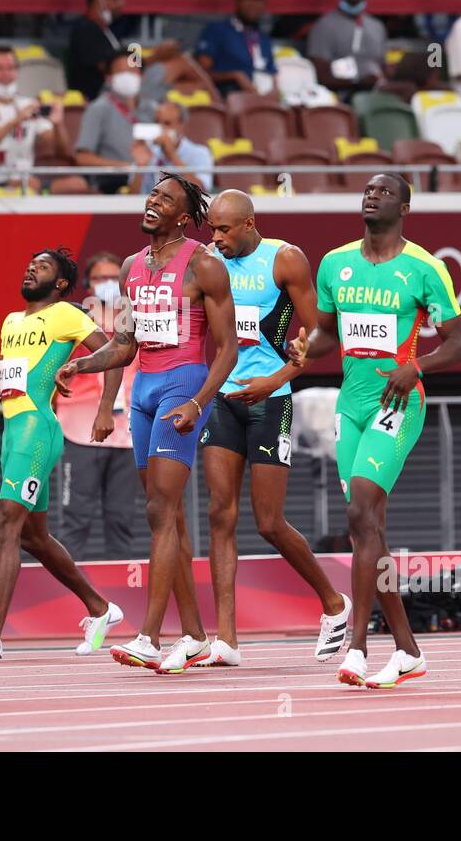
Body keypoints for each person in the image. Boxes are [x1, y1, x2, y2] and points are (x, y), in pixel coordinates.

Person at [289, 173, 461, 688]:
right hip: (352, 406)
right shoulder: (334, 263)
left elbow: (459, 344)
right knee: (369, 531)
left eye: (385, 192)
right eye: (368, 190)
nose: (373, 196)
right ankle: (408, 651)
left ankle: (358, 646)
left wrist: (419, 367)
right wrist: (306, 349)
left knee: (359, 509)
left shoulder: (425, 268)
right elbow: (327, 334)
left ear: (405, 208)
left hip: (399, 400)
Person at [56, 173, 237, 674]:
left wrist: (199, 402)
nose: (153, 201)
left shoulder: (204, 264)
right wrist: (80, 366)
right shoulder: (133, 266)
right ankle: (197, 636)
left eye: (165, 198)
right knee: (168, 516)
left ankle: (150, 637)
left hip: (183, 385)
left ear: (183, 216)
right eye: (152, 194)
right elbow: (125, 345)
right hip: (144, 393)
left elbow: (228, 350)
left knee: (161, 511)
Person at [199, 190, 350, 667]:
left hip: (271, 401)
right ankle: (226, 638)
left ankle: (333, 603)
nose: (217, 239)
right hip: (223, 398)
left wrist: (277, 379)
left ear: (249, 223)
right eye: (212, 230)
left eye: (224, 230)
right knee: (220, 515)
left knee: (267, 522)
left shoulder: (284, 260)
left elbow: (322, 336)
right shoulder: (209, 263)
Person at [0, 249, 124, 659]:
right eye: (30, 263)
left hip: (37, 429)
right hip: (13, 429)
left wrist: (104, 407)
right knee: (34, 537)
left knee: (6, 525)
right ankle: (101, 609)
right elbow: (14, 381)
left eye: (43, 266)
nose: (31, 268)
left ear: (61, 283)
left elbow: (116, 351)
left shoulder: (66, 314)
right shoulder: (11, 321)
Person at [55, 252, 139, 561]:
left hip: (127, 434)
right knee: (75, 517)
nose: (107, 285)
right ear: (89, 283)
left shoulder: (135, 319)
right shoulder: (75, 320)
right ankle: (66, 589)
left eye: (113, 279)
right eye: (101, 278)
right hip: (79, 429)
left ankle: (121, 588)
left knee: (121, 518)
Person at [0, 45, 87, 194]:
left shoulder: (28, 104)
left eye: (11, 68)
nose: (6, 75)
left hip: (24, 181)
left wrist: (58, 124)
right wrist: (15, 120)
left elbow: (63, 152)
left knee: (76, 183)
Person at [65, 0, 183, 102]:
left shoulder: (105, 30)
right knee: (181, 65)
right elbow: (114, 68)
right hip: (103, 94)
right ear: (100, 1)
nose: (122, 4)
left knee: (181, 68)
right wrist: (155, 57)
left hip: (119, 90)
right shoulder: (86, 29)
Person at [73, 51, 155, 194]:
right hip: (114, 183)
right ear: (109, 78)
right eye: (121, 72)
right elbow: (83, 157)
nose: (127, 76)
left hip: (155, 180)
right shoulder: (98, 109)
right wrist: (128, 167)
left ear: (142, 76)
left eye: (132, 70)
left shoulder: (153, 109)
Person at [306, 0, 389, 97]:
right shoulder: (324, 26)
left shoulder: (377, 26)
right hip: (341, 94)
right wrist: (357, 82)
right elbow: (320, 73)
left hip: (377, 93)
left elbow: (382, 67)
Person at [194, 0, 278, 97]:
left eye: (258, 0)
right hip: (227, 97)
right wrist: (235, 76)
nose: (253, 4)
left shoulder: (264, 39)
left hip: (261, 100)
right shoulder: (217, 30)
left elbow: (272, 73)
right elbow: (200, 74)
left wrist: (275, 90)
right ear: (237, 1)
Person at [134, 101, 212, 195]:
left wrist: (172, 155)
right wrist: (140, 169)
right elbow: (131, 197)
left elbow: (201, 192)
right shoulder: (147, 152)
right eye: (157, 122)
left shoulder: (200, 153)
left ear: (181, 125)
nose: (161, 128)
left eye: (167, 123)